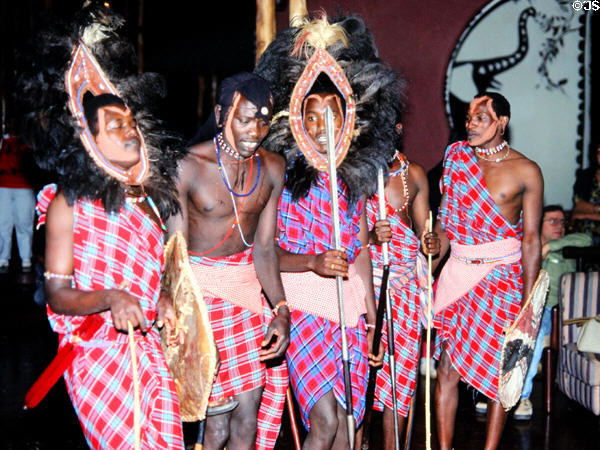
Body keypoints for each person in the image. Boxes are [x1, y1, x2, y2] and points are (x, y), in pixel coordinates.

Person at [18, 5, 185, 448]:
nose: (130, 131)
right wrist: (110, 298)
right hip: (97, 357)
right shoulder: (67, 203)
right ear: (89, 138)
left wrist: (162, 297)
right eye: (114, 125)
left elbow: (147, 273)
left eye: (131, 122)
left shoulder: (147, 198)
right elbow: (58, 293)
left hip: (147, 350)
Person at [256, 14, 402, 448]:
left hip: (349, 309)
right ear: (297, 117)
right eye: (313, 117)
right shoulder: (280, 176)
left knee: (346, 422)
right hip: (301, 306)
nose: (323, 129)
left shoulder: (351, 180)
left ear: (349, 120)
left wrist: (374, 316)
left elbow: (359, 254)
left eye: (332, 117)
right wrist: (313, 263)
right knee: (322, 422)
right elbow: (264, 253)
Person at [169, 72, 290, 450]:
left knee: (247, 418)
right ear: (222, 115)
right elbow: (174, 254)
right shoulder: (187, 166)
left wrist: (282, 310)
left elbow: (265, 249)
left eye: (264, 118)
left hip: (246, 298)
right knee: (214, 427)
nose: (256, 128)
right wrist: (189, 328)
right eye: (245, 117)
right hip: (199, 302)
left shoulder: (273, 167)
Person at [432, 92, 543, 450]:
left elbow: (530, 240)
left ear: (502, 123)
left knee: (500, 372)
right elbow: (445, 224)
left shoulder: (526, 171)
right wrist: (429, 261)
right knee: (447, 367)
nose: (471, 125)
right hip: (457, 273)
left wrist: (528, 304)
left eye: (481, 118)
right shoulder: (456, 158)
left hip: (501, 280)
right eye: (468, 118)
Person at [366, 125, 440, 447]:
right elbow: (347, 237)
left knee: (399, 386)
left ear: (396, 128)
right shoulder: (355, 172)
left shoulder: (415, 175)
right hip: (365, 293)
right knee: (361, 383)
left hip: (406, 292)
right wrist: (370, 237)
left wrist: (431, 242)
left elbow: (425, 236)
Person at [512, 205, 592, 419]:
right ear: (538, 224)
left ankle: (522, 396)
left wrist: (550, 246)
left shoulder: (567, 246)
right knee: (523, 329)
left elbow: (586, 240)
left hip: (559, 309)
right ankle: (499, 394)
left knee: (535, 332)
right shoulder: (526, 245)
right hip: (532, 307)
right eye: (552, 221)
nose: (559, 226)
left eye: (562, 221)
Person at [0, 125, 35, 275]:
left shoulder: (27, 140)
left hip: (24, 187)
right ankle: (2, 258)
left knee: (24, 223)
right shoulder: (2, 140)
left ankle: (26, 258)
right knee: (2, 223)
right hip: (3, 186)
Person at [572, 143, 600, 244]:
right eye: (598, 153)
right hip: (584, 232)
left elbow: (580, 212)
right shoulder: (586, 175)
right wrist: (598, 209)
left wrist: (584, 215)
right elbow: (578, 204)